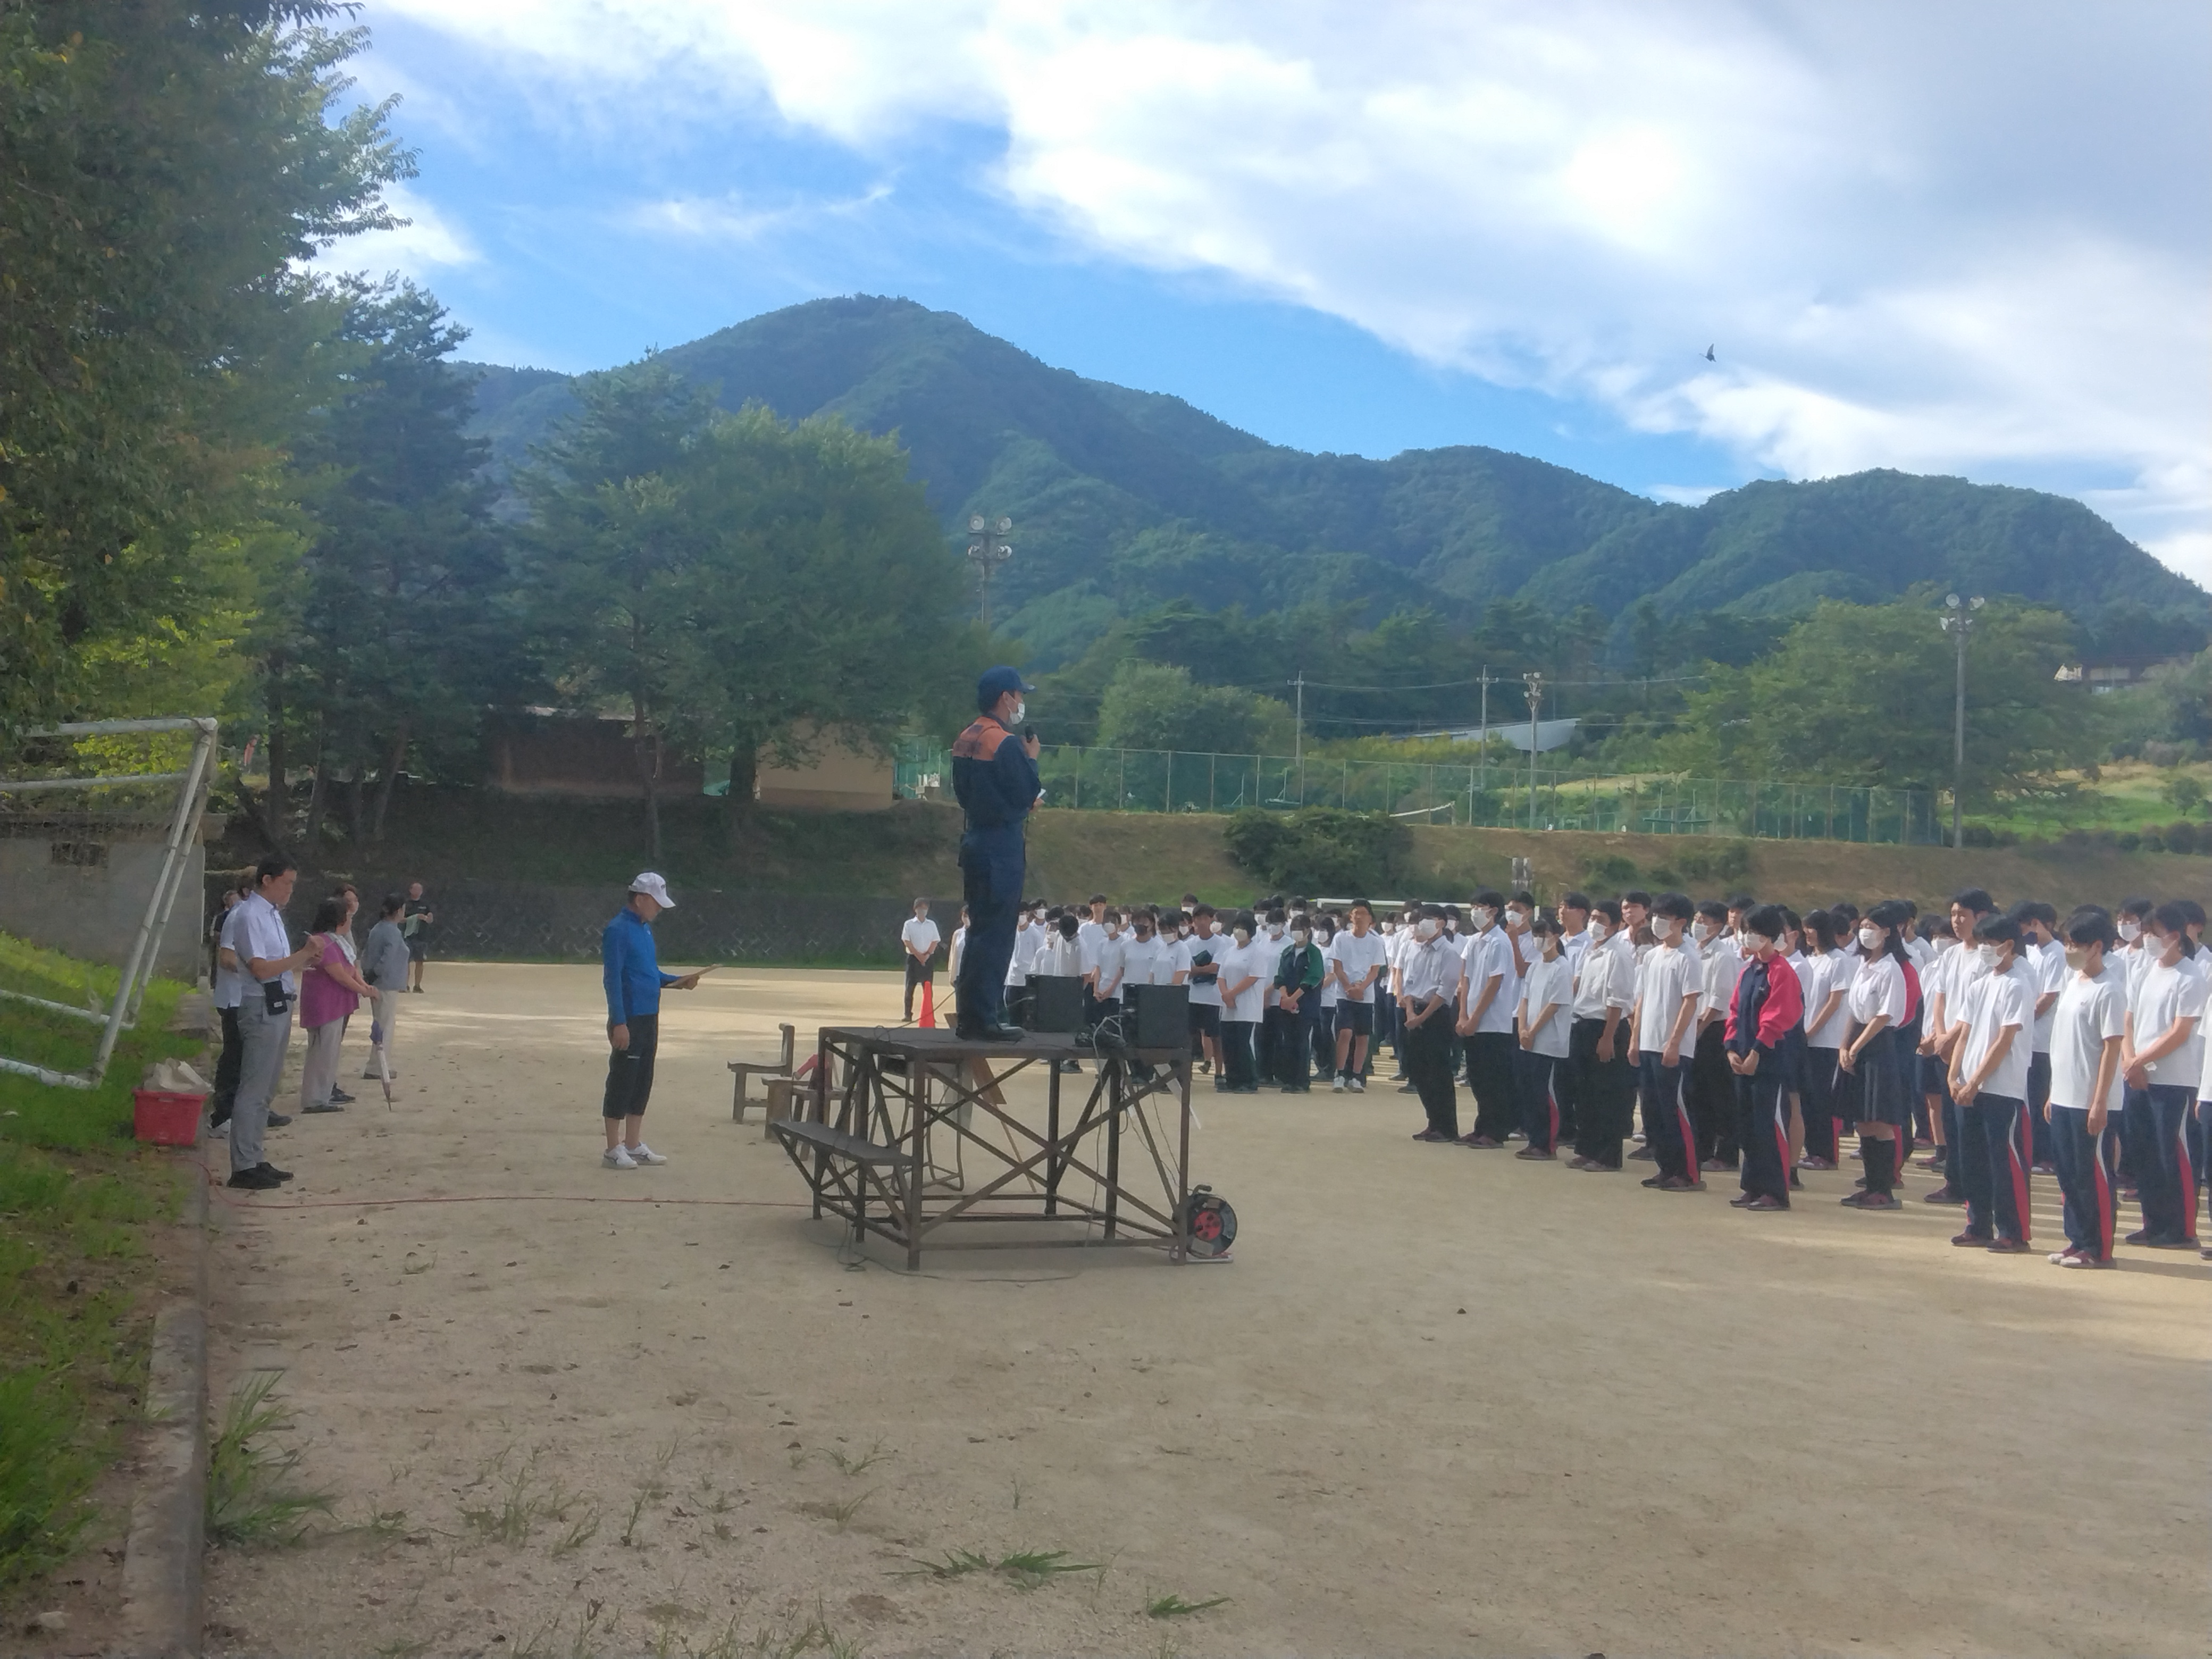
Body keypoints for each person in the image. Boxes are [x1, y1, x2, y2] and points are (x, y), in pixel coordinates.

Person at [950, 667, 1041, 1041]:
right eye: (1019, 695)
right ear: (1005, 697)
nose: (1020, 702)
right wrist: (1031, 757)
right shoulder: (1004, 742)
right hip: (1001, 845)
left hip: (974, 838)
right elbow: (1027, 792)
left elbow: (963, 793)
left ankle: (969, 1015)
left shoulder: (965, 738)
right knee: (998, 934)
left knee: (978, 932)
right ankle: (986, 1018)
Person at [227, 856, 325, 1189]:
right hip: (260, 1005)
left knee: (266, 1089)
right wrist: (303, 954)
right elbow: (260, 968)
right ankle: (243, 1165)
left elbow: (277, 965)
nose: (290, 890)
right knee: (254, 1088)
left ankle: (254, 1157)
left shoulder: (271, 915)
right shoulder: (249, 915)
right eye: (287, 883)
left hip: (279, 1002)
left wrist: (303, 960)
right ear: (267, 880)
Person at [600, 873, 706, 1169]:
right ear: (640, 899)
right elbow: (613, 979)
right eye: (656, 902)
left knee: (642, 1079)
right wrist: (619, 1022)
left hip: (649, 1016)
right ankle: (612, 1148)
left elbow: (650, 973)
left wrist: (677, 981)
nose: (659, 908)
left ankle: (633, 1144)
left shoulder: (644, 930)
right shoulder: (617, 930)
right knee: (622, 1079)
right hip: (630, 1017)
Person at [1947, 913, 2038, 1252]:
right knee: (1972, 1160)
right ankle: (1978, 1224)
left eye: (1990, 943)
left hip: (2002, 1087)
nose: (1984, 948)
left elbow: (2004, 1039)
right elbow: (1964, 1033)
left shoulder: (2018, 985)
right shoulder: (1980, 985)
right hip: (1969, 1085)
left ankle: (2013, 1231)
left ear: (2009, 945)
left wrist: (1975, 1081)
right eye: (1981, 942)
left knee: (2004, 1162)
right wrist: (1954, 1075)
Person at [2119, 901, 2205, 1249]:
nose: (2148, 939)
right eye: (2146, 933)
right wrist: (2130, 1061)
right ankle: (2153, 1223)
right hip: (2138, 1079)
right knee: (2144, 1155)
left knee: (2174, 1156)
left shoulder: (2191, 976)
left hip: (2175, 1082)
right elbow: (2128, 1020)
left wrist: (2140, 1061)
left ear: (2174, 936)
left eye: (2154, 933)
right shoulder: (2144, 970)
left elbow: (2180, 1031)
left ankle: (2182, 1229)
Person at [2047, 909, 2125, 1267]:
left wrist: (2100, 1101)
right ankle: (2077, 1239)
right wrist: (2053, 1092)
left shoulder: (2110, 989)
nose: (2070, 950)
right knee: (2068, 1174)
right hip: (2065, 1095)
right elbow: (2063, 1043)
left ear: (2097, 946)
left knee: (2093, 1174)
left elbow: (2112, 1047)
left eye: (2076, 944)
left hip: (2091, 1099)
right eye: (2067, 943)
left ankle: (2098, 1248)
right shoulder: (2073, 982)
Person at [1839, 901, 1918, 1211]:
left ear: (1887, 932)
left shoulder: (1891, 968)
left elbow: (1884, 1016)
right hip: (1858, 1041)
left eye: (1871, 928)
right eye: (1862, 927)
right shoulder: (1864, 964)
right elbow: (1854, 1010)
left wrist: (1857, 1047)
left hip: (1879, 1045)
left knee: (1880, 1119)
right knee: (1863, 1120)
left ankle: (1884, 1189)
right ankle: (1870, 1185)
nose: (1865, 933)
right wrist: (1844, 1046)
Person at [1725, 904, 1803, 1210]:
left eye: (1755, 932)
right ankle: (1753, 1185)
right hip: (1743, 1055)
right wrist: (1731, 1048)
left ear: (1770, 935)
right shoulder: (1748, 970)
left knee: (1770, 1125)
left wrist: (1758, 1050)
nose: (1749, 937)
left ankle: (1775, 1190)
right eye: (1746, 931)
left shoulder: (1782, 971)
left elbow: (1779, 1015)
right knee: (1748, 1125)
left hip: (1769, 1059)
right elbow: (1735, 1011)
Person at [1629, 893, 1702, 1190]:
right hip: (1648, 1043)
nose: (1657, 922)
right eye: (1655, 916)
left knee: (1675, 1110)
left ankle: (1687, 1172)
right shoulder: (1652, 956)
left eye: (1664, 917)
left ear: (1681, 922)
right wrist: (1635, 1039)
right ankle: (1665, 1166)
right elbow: (1642, 999)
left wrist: (1674, 1043)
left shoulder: (1689, 957)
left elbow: (1690, 1001)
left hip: (1673, 1048)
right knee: (1652, 1111)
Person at [1566, 900, 1636, 1170]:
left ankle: (1608, 1155)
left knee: (1606, 1093)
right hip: (1583, 1023)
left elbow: (1617, 1000)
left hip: (1606, 1026)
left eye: (1602, 920)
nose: (1595, 924)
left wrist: (1607, 1038)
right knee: (1584, 1092)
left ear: (1616, 925)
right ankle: (1588, 1148)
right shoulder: (1591, 949)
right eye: (1593, 918)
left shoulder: (1618, 954)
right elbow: (1578, 984)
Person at [298, 895, 378, 1115]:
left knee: (329, 1051)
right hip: (325, 1004)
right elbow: (340, 975)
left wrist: (365, 987)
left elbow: (350, 970)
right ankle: (315, 1098)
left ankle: (322, 1095)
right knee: (322, 1051)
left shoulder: (336, 942)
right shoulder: (323, 942)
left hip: (334, 1004)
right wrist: (363, 991)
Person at [1455, 890, 1518, 1147]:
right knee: (1478, 1078)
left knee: (1494, 1079)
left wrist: (1475, 1018)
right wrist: (1463, 1015)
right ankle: (1481, 1127)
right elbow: (1465, 979)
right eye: (1473, 906)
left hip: (1494, 1023)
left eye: (1480, 906)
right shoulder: (1473, 941)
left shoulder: (1499, 942)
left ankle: (1496, 1131)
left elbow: (1495, 982)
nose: (1475, 912)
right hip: (1471, 1020)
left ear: (1493, 911)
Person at [1398, 905, 1461, 1143]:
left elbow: (1445, 990)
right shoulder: (1418, 950)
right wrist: (1410, 1011)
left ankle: (1446, 1126)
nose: (1423, 923)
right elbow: (1409, 984)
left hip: (1436, 1014)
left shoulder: (1449, 952)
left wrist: (1422, 1017)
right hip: (1414, 1011)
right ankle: (1433, 1121)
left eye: (1429, 919)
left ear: (1441, 923)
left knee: (1439, 1071)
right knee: (1418, 1069)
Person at [1513, 917, 1572, 1158]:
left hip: (1549, 1041)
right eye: (1536, 935)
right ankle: (1533, 1138)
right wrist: (1522, 1030)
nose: (1539, 940)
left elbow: (1554, 1005)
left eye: (1543, 935)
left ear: (1555, 937)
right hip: (1528, 1040)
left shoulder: (1562, 967)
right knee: (1528, 1090)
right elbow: (1525, 1000)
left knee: (1544, 1092)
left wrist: (1532, 1031)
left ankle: (1546, 1143)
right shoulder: (1535, 966)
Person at [207, 880, 254, 1132]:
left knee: (248, 1059)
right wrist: (257, 971)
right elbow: (226, 958)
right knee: (234, 1058)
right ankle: (223, 1114)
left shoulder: (257, 916)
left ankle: (249, 1110)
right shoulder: (237, 917)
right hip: (234, 998)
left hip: (246, 997)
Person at [1329, 900, 1388, 1093]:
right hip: (1344, 994)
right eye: (1356, 913)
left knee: (1362, 1036)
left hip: (1365, 995)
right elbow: (1337, 967)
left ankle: (1356, 1076)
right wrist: (1348, 987)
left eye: (1364, 913)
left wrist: (1361, 988)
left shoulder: (1376, 941)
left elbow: (1375, 970)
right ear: (1351, 916)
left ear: (1370, 918)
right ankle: (1339, 1074)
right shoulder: (1341, 938)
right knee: (1345, 1032)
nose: (1360, 917)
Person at [359, 893, 412, 1078]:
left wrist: (368, 973)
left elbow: (366, 954)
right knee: (385, 1026)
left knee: (381, 1023)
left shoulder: (377, 928)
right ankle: (376, 1067)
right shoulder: (393, 932)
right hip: (386, 984)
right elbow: (388, 958)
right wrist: (376, 972)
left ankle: (381, 1064)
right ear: (399, 911)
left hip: (377, 982)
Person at [1273, 915, 1324, 1091]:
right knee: (1288, 1041)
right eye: (1294, 929)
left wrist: (1294, 998)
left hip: (1306, 1004)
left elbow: (1313, 978)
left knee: (1302, 1042)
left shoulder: (1314, 953)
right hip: (1287, 1003)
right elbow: (1280, 977)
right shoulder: (1287, 952)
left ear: (1308, 931)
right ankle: (1289, 1079)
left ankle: (1301, 1081)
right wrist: (1285, 997)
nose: (1296, 932)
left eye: (1300, 929)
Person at [1216, 910, 1264, 1093]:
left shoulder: (1257, 952)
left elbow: (1252, 977)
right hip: (1228, 1006)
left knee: (1242, 1043)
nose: (1238, 931)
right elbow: (1221, 976)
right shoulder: (1229, 952)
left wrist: (1232, 994)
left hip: (1247, 1006)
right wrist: (1226, 995)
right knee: (1228, 1043)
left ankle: (1249, 1080)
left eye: (1242, 928)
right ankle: (1232, 1079)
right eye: (1236, 927)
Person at [899, 898, 941, 1022]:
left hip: (928, 959)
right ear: (915, 909)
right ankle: (908, 1014)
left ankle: (928, 1014)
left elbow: (935, 941)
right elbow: (907, 941)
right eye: (920, 908)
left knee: (928, 988)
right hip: (913, 959)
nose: (923, 911)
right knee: (910, 987)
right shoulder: (909, 924)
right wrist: (918, 955)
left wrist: (927, 955)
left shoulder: (932, 924)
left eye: (925, 908)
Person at [401, 881, 434, 992]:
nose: (418, 891)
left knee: (420, 961)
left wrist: (427, 918)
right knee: (406, 961)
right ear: (411, 890)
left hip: (421, 937)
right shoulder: (405, 904)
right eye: (415, 889)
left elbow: (430, 918)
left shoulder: (426, 904)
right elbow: (401, 919)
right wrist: (415, 918)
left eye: (420, 889)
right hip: (407, 937)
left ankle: (417, 986)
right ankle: (404, 985)